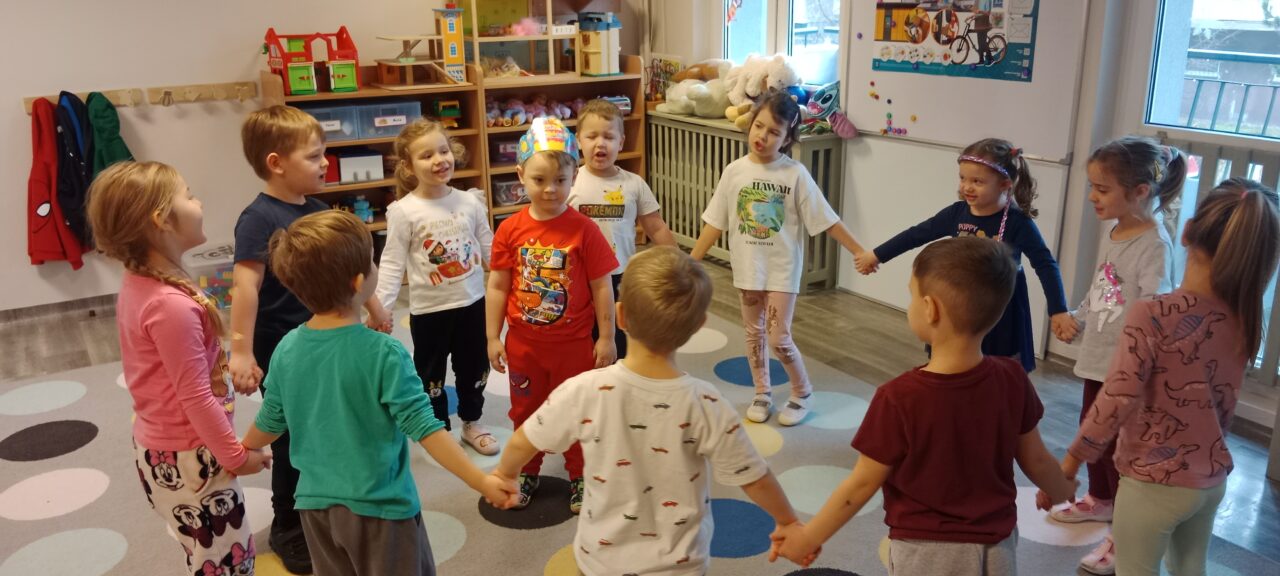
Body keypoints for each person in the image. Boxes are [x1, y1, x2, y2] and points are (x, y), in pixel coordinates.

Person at [772, 236, 1077, 575]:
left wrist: (808, 538)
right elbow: (1037, 459)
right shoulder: (1013, 378)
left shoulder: (898, 398)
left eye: (911, 295)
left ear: (930, 309)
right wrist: (1061, 489)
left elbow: (860, 485)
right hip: (998, 547)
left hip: (926, 553)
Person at [496, 246, 804, 575]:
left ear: (621, 316)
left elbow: (525, 439)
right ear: (698, 326)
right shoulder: (707, 403)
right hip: (680, 565)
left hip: (600, 560)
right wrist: (788, 521)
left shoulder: (583, 390)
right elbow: (754, 476)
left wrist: (504, 476)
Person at [241, 210, 517, 576]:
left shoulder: (287, 348)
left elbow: (271, 420)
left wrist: (242, 450)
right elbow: (427, 429)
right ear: (360, 282)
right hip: (381, 510)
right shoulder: (384, 353)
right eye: (373, 262)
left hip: (314, 507)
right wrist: (481, 480)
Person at [1053, 179, 1280, 576]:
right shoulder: (1242, 318)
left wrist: (1070, 462)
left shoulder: (1153, 314)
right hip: (1210, 483)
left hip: (1152, 484)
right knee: (1190, 568)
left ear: (1187, 231)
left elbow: (1116, 397)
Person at [228, 105, 392, 573]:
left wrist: (377, 308)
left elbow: (355, 268)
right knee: (291, 436)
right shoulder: (258, 219)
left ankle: (334, 505)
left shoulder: (320, 212)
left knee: (332, 426)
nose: (325, 164)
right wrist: (240, 350)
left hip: (333, 339)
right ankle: (288, 525)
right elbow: (245, 287)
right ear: (276, 163)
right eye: (315, 156)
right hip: (285, 349)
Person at [87, 161, 271, 575]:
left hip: (167, 450)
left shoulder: (142, 282)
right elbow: (195, 397)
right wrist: (236, 457)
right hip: (193, 457)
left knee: (206, 554)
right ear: (162, 220)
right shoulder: (170, 305)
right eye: (189, 196)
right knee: (227, 561)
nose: (198, 202)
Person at [691, 90, 871, 426]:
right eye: (759, 126)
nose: (762, 136)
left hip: (781, 271)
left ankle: (802, 392)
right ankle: (762, 392)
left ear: (788, 138)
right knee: (753, 334)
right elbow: (715, 221)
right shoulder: (734, 171)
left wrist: (859, 250)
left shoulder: (795, 174)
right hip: (748, 268)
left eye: (774, 131)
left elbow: (827, 219)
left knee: (778, 337)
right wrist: (691, 262)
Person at [1053, 136, 1187, 575]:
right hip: (1099, 359)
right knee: (1093, 430)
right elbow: (1104, 288)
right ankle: (1101, 499)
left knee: (1120, 449)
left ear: (1140, 191)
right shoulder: (1115, 230)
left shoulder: (1155, 244)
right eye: (1093, 187)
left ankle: (1124, 534)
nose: (1093, 196)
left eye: (1102, 189)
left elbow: (1155, 308)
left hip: (1127, 367)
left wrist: (1135, 359)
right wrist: (1078, 318)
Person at [486, 117, 619, 513]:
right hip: (524, 346)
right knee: (525, 410)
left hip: (574, 346)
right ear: (520, 175)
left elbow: (602, 287)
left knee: (578, 410)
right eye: (539, 179)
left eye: (560, 180)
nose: (550, 189)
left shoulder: (585, 229)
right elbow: (497, 286)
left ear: (574, 176)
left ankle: (580, 475)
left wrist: (607, 337)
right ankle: (527, 471)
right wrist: (492, 336)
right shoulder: (509, 230)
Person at [856, 137, 1074, 373]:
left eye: (977, 181)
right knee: (953, 361)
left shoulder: (1018, 223)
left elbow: (1045, 265)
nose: (967, 187)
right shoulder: (956, 213)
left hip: (999, 309)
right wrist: (876, 255)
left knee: (996, 370)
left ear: (1004, 184)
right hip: (957, 302)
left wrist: (1058, 309)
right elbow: (915, 234)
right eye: (963, 178)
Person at [374, 118, 498, 455]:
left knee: (475, 367)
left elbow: (489, 246)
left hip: (472, 304)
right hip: (430, 311)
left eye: (443, 151)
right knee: (430, 375)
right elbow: (392, 263)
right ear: (408, 166)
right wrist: (381, 308)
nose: (439, 160)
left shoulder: (470, 202)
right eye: (426, 155)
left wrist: (511, 281)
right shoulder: (404, 211)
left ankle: (472, 422)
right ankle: (438, 430)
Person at [568, 98, 677, 359]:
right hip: (578, 274)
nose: (600, 143)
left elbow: (656, 227)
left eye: (608, 136)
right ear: (578, 140)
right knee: (580, 332)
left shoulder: (634, 183)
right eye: (591, 136)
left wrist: (677, 263)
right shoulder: (569, 182)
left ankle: (616, 374)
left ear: (621, 142)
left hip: (620, 274)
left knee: (617, 334)